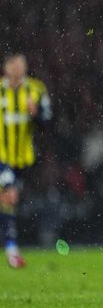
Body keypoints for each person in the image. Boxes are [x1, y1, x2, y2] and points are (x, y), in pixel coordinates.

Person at [0, 54, 53, 268]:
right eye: (13, 64)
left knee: (8, 202)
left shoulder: (37, 89)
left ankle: (11, 248)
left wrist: (36, 113)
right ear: (5, 67)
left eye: (20, 64)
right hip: (1, 156)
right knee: (10, 195)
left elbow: (47, 121)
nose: (17, 68)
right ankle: (12, 251)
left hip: (23, 160)